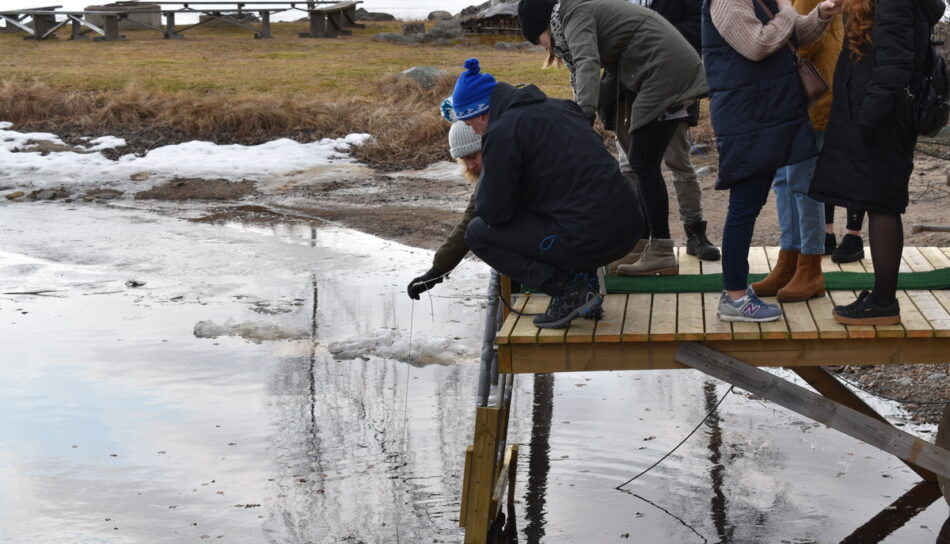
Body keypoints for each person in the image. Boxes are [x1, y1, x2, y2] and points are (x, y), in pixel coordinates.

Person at [517, 0, 708, 276]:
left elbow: (587, 62)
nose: (543, 46)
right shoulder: (579, 12)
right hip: (658, 69)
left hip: (665, 70)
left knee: (643, 163)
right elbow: (614, 75)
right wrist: (575, 110)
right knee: (642, 162)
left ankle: (662, 251)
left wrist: (584, 113)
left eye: (538, 39)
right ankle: (644, 245)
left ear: (544, 24)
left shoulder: (574, 14)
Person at [451, 58, 644, 329]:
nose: (473, 130)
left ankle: (569, 290)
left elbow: (492, 211)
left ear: (481, 112)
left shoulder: (503, 131)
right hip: (629, 226)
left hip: (591, 236)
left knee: (479, 233)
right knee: (565, 207)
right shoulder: (562, 107)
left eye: (470, 123)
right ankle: (585, 288)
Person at [703, 0, 841, 322]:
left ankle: (738, 290)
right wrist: (787, 10)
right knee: (744, 205)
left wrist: (819, 15)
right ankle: (734, 296)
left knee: (750, 203)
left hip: (764, 112)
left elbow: (793, 34)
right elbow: (758, 44)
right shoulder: (727, 1)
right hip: (745, 116)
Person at [810, 0, 946, 325]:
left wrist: (868, 118)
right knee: (876, 201)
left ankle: (884, 302)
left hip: (883, 117)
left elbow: (896, 64)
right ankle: (880, 296)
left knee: (883, 205)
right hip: (878, 112)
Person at [614, 0, 722, 268]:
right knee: (628, 166)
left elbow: (699, 27)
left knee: (680, 163)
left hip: (670, 88)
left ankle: (695, 231)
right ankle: (639, 238)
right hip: (625, 92)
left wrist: (649, 37)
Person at [751, 0, 842, 303]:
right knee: (785, 180)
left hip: (810, 98)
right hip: (796, 99)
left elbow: (802, 40)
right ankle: (789, 261)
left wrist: (761, 52)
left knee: (801, 182)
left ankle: (810, 266)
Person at [406, 121, 483, 300]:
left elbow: (470, 225)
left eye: (473, 156)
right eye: (465, 160)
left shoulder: (505, 172)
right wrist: (436, 272)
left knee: (480, 232)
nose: (470, 166)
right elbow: (470, 217)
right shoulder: (488, 178)